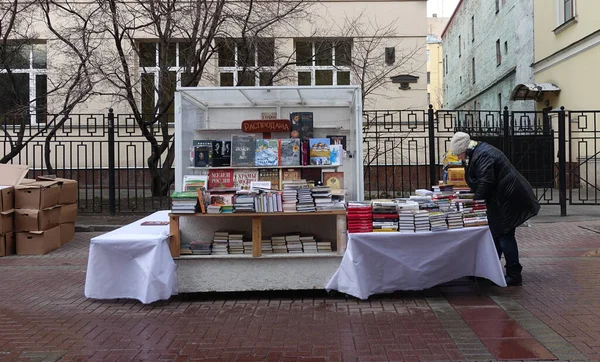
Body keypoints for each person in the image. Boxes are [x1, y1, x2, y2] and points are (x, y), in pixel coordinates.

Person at [449, 132, 540, 286]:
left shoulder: (483, 154)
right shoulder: (478, 152)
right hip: (502, 198)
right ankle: (490, 270)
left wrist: (475, 204)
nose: (458, 158)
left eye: (459, 154)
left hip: (508, 199)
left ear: (464, 149)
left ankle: (514, 274)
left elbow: (486, 181)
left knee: (504, 235)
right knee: (495, 234)